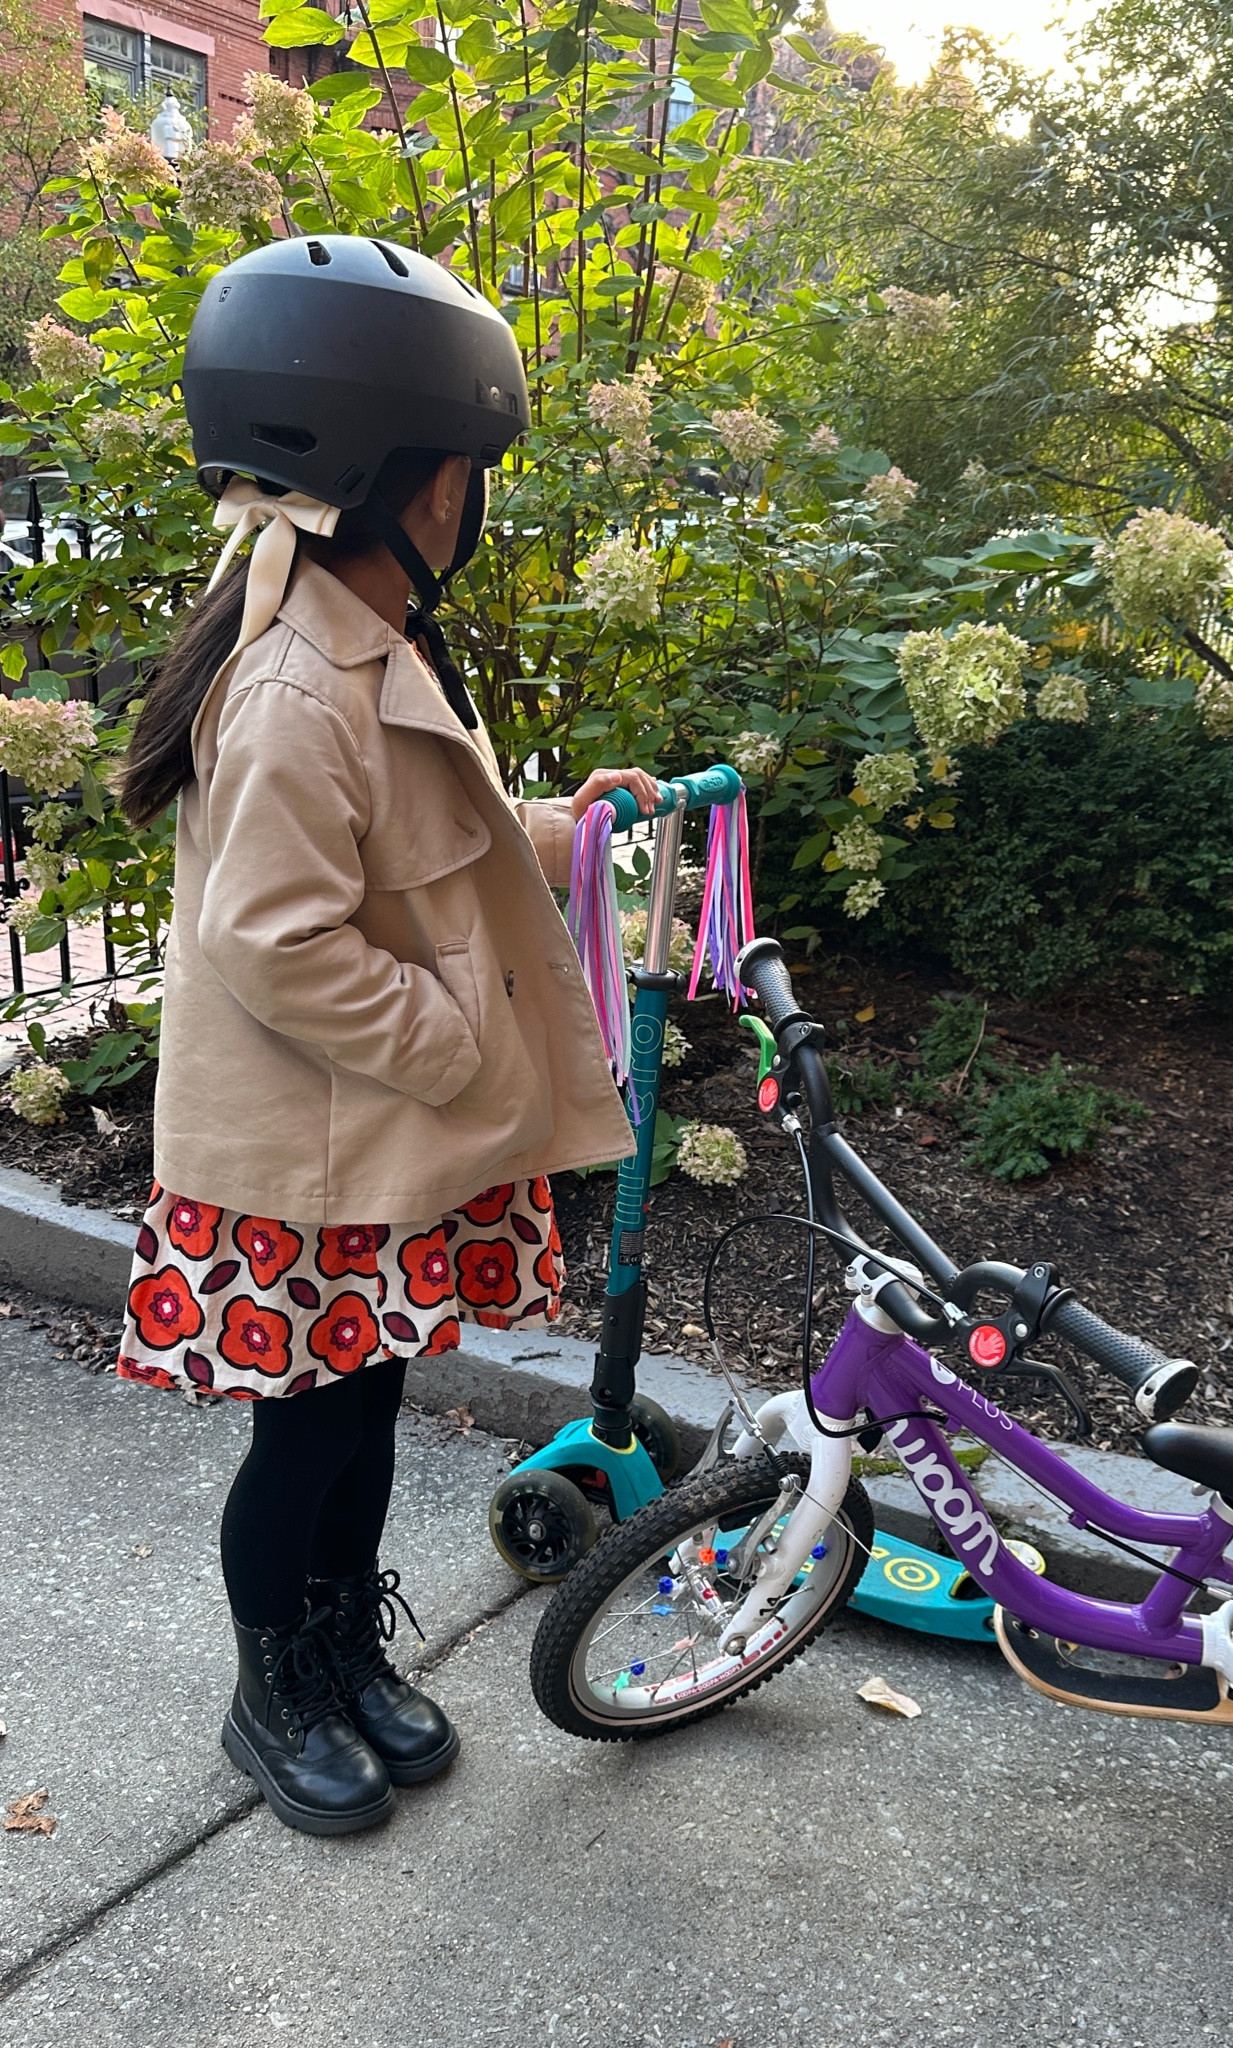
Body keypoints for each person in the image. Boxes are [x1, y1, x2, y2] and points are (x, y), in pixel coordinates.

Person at [113, 236, 651, 1837]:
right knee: (307, 1438)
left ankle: (342, 1647)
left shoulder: (365, 639)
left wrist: (557, 830)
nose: (472, 500)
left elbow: (419, 846)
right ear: (413, 484)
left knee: (363, 1412)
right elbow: (273, 937)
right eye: (469, 471)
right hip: (307, 1157)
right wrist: (456, 1034)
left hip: (371, 1140)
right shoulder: (299, 683)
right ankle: (272, 1687)